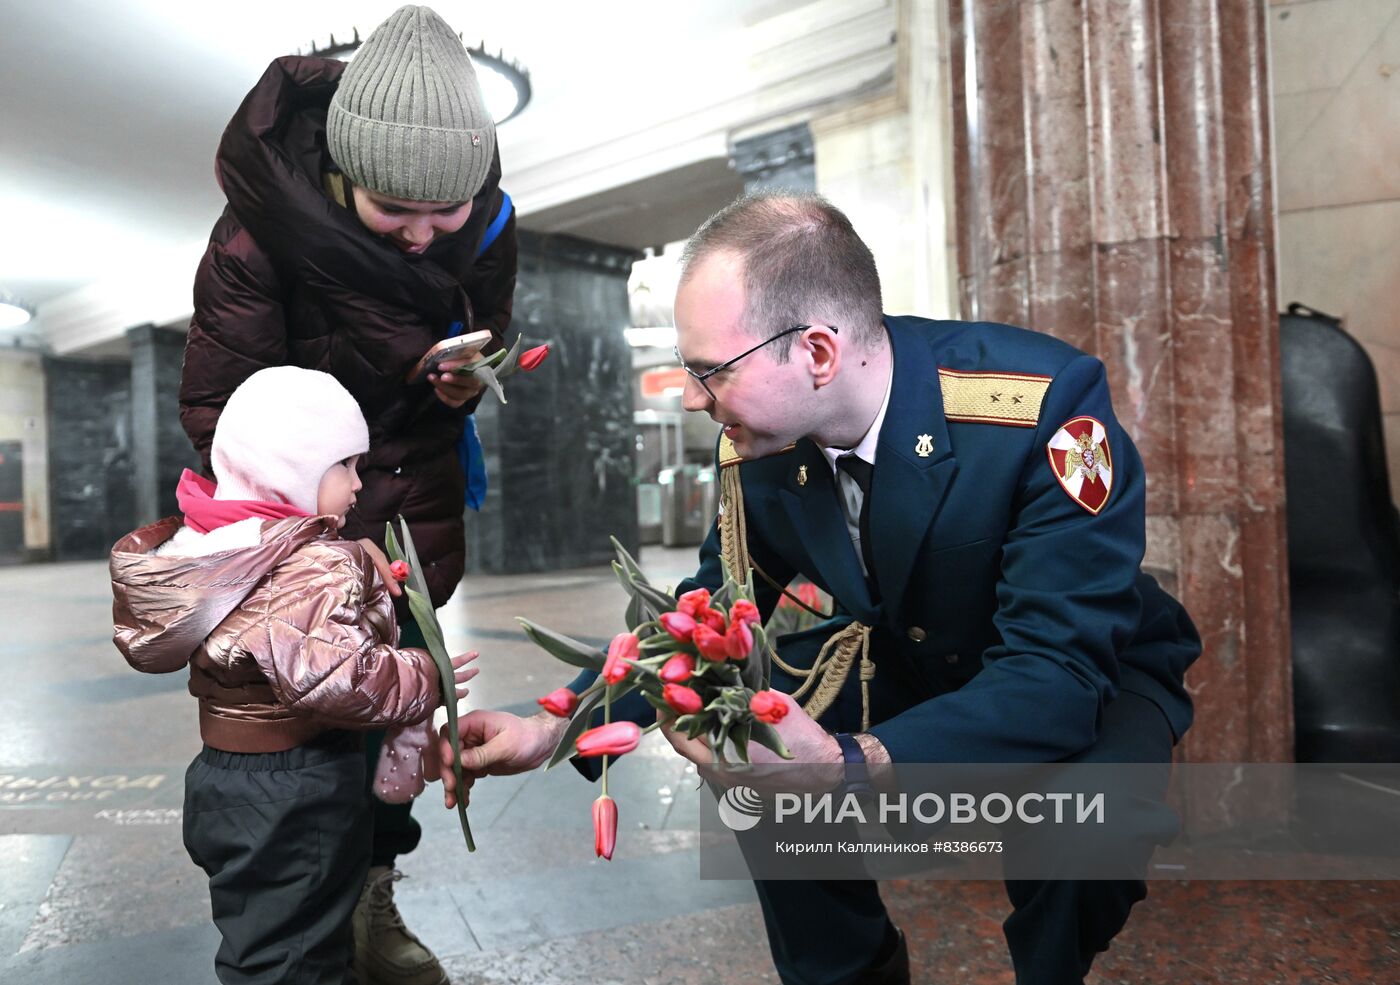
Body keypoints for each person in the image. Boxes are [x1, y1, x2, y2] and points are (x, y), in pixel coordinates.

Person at [437, 191, 1201, 985]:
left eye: (710, 371)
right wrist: (548, 727)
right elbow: (698, 619)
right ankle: (847, 971)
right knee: (755, 757)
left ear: (818, 354)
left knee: (1082, 845)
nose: (693, 398)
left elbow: (1055, 676)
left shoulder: (1040, 408)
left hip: (1089, 674)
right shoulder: (765, 443)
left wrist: (848, 764)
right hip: (910, 658)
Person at [176, 6, 515, 982]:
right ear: (339, 171)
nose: (420, 236)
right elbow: (224, 416)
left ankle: (373, 903)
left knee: (397, 737)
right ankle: (302, 929)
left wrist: (462, 373)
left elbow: (487, 325)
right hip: (302, 522)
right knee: (312, 738)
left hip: (415, 503)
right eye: (390, 210)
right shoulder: (254, 242)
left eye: (441, 214)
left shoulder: (486, 222)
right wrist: (325, 522)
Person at [111, 367, 477, 985]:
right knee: (303, 956)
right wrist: (426, 674)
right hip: (296, 787)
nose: (360, 484)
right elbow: (339, 679)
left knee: (262, 939)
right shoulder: (309, 565)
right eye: (346, 466)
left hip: (223, 780)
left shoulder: (213, 547)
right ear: (294, 469)